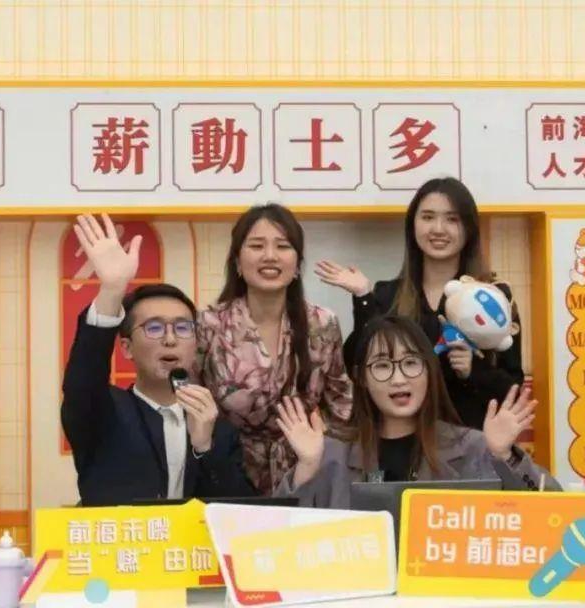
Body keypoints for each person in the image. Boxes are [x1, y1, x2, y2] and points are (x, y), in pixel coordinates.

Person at [61, 214, 255, 506]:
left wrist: (204, 447)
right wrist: (112, 290)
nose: (170, 339)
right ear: (127, 348)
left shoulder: (217, 425)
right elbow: (83, 380)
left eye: (182, 328)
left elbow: (237, 509)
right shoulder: (103, 411)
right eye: (154, 328)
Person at [273, 315, 556, 509]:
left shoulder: (473, 447)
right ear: (361, 377)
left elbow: (553, 512)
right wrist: (306, 468)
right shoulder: (331, 454)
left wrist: (505, 456)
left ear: (429, 370)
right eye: (382, 366)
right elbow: (279, 538)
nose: (399, 379)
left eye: (411, 363)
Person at [315, 177, 524, 429]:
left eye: (452, 219)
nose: (438, 229)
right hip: (402, 440)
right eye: (427, 217)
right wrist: (363, 298)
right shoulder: (387, 295)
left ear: (469, 228)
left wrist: (474, 371)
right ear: (412, 225)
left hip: (472, 442)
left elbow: (514, 390)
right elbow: (357, 366)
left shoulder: (494, 298)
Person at [196, 203, 353, 494]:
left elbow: (341, 406)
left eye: (283, 246)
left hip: (307, 474)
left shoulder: (323, 323)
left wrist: (319, 450)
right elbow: (192, 406)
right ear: (237, 262)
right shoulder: (208, 324)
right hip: (228, 476)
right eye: (257, 245)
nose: (270, 256)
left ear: (297, 264)